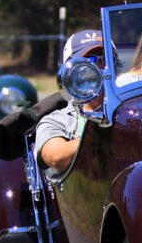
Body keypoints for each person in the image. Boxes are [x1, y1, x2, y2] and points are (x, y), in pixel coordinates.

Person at [36, 29, 105, 176]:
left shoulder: (128, 110)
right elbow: (55, 157)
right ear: (70, 70)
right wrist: (103, 137)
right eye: (90, 60)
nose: (99, 65)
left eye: (107, 58)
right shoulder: (59, 119)